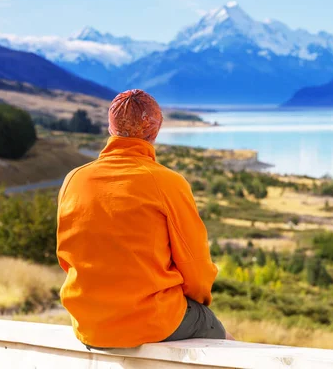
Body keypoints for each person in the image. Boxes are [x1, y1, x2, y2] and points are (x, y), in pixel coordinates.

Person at [56, 89, 232, 349]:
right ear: (155, 131)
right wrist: (197, 302)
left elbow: (66, 257)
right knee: (217, 332)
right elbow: (196, 267)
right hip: (151, 320)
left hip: (88, 324)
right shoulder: (167, 183)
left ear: (111, 127)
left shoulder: (74, 179)